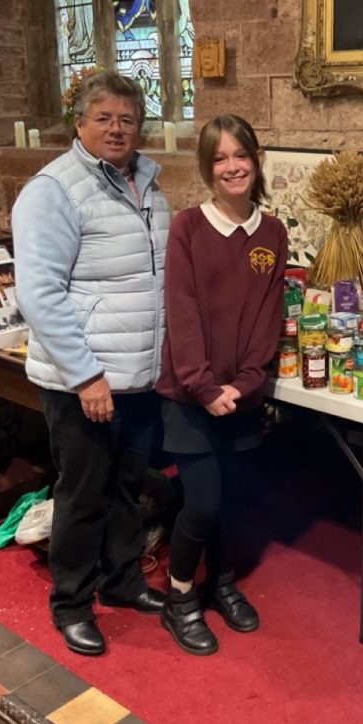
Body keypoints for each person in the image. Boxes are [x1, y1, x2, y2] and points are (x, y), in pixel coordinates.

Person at [12, 71, 171, 656]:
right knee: (81, 496)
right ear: (78, 122)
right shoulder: (52, 190)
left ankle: (123, 581)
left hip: (139, 378)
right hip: (86, 384)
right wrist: (86, 375)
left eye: (127, 119)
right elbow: (40, 293)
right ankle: (72, 604)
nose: (117, 128)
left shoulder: (150, 184)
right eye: (103, 117)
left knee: (128, 489)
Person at [156, 114, 287, 655]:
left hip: (243, 396)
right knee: (204, 503)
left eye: (241, 155)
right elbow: (181, 312)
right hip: (191, 398)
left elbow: (267, 315)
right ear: (208, 168)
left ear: (256, 161)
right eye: (220, 158)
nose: (233, 166)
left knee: (234, 499)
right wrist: (205, 386)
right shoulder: (188, 227)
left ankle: (223, 582)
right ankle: (179, 596)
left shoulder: (272, 232)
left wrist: (250, 380)